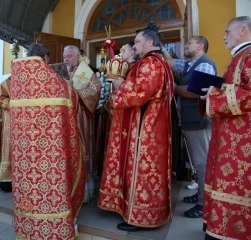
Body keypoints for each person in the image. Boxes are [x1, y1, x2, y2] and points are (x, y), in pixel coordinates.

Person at [97, 26, 174, 231]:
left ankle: (142, 217)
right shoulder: (158, 62)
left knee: (143, 170)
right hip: (151, 125)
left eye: (138, 42)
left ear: (149, 42)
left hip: (146, 128)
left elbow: (140, 93)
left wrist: (120, 84)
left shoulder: (151, 63)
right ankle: (136, 211)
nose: (135, 46)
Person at [10, 43, 86, 240]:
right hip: (52, 156)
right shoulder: (55, 83)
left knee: (28, 192)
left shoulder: (17, 82)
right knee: (51, 191)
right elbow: (73, 101)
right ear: (45, 59)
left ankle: (27, 230)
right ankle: (55, 231)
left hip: (24, 156)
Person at [200, 16, 251, 240]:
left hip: (242, 139)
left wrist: (214, 94)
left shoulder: (249, 55)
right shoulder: (240, 56)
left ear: (243, 30)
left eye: (227, 32)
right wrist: (215, 89)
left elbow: (247, 94)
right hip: (230, 134)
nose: (223, 37)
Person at [162, 36, 217, 218]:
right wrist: (159, 45)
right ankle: (200, 195)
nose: (186, 45)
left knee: (201, 164)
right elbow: (170, 62)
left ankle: (203, 204)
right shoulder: (190, 64)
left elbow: (196, 92)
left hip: (198, 122)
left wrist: (174, 87)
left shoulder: (205, 64)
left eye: (190, 43)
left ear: (200, 46)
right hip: (190, 120)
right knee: (196, 163)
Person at [63, 45, 102, 202]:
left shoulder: (84, 71)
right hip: (65, 117)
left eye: (69, 56)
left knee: (81, 150)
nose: (66, 59)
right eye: (65, 56)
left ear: (78, 56)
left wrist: (71, 86)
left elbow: (95, 90)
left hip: (80, 117)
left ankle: (83, 193)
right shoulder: (63, 71)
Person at [0, 76, 12, 192]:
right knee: (9, 148)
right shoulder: (5, 83)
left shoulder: (27, 79)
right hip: (10, 122)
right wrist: (16, 104)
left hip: (26, 122)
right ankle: (7, 181)